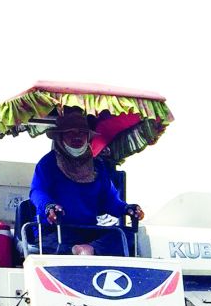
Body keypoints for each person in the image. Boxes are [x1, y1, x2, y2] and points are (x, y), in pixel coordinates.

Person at [28, 108, 144, 255]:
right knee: (48, 244)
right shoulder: (47, 164)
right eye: (71, 132)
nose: (77, 137)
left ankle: (88, 249)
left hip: (89, 231)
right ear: (60, 137)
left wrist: (127, 208)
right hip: (55, 231)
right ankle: (76, 250)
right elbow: (37, 192)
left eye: (82, 133)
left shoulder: (98, 166)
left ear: (88, 137)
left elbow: (110, 200)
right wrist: (48, 206)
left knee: (126, 238)